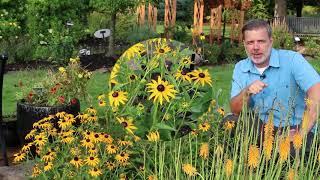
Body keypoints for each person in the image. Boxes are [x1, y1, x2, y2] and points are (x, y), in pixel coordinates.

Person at [228, 19, 320, 150]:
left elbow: (317, 92)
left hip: (295, 127)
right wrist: (246, 92)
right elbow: (235, 110)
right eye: (250, 42)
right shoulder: (240, 67)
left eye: (261, 41)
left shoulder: (292, 59)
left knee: (289, 157)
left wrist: (301, 133)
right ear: (244, 44)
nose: (255, 47)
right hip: (263, 127)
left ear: (271, 41)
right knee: (230, 122)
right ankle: (245, 163)